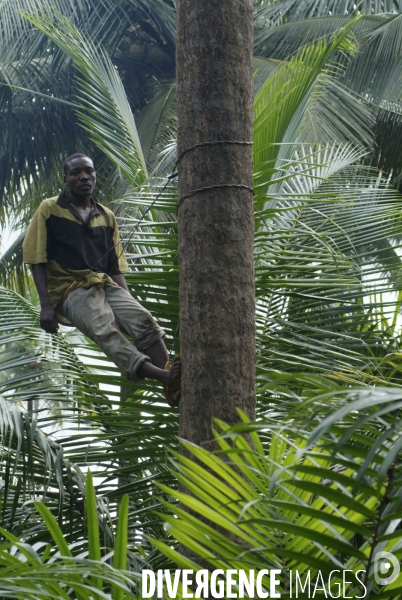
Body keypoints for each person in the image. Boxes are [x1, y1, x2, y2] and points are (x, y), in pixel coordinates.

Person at [23, 153, 181, 406]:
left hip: (104, 283)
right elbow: (35, 258)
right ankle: (165, 376)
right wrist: (46, 305)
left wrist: (127, 299)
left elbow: (114, 266)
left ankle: (173, 380)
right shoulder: (50, 209)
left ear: (94, 175)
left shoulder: (106, 216)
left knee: (143, 319)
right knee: (106, 331)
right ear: (66, 179)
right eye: (76, 173)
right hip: (69, 290)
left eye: (89, 171)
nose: (84, 176)